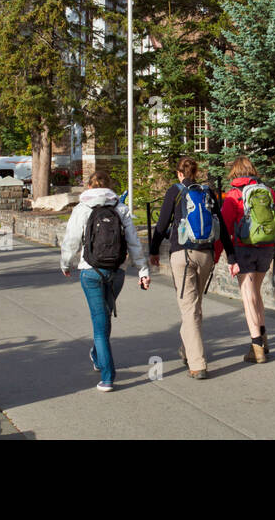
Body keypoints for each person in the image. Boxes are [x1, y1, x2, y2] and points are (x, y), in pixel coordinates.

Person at [60, 171, 150, 391]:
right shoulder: (121, 208)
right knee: (104, 318)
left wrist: (66, 263)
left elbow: (71, 240)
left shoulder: (82, 209)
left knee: (100, 324)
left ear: (89, 186)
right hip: (116, 272)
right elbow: (133, 242)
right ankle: (97, 355)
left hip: (90, 272)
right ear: (109, 187)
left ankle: (108, 376)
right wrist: (142, 269)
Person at [148, 157, 235, 380]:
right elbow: (221, 227)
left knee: (189, 308)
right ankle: (187, 349)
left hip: (182, 254)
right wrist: (231, 256)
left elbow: (161, 225)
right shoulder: (207, 192)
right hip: (206, 254)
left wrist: (153, 250)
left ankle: (198, 364)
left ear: (179, 173)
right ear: (195, 173)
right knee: (194, 306)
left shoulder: (175, 191)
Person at [218, 156, 275, 364]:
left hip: (244, 249)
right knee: (256, 293)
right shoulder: (267, 192)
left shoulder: (234, 195)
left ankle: (256, 347)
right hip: (267, 248)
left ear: (234, 173)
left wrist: (216, 256)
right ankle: (264, 339)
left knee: (248, 297)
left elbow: (224, 228)